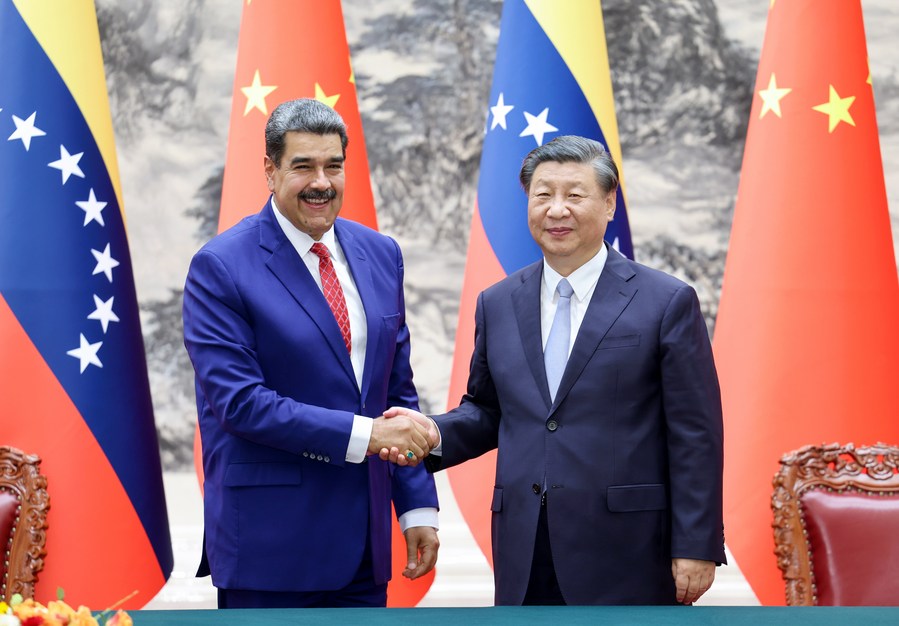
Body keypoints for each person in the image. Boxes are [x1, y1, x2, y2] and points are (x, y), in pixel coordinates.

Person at [383, 135, 724, 605]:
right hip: (525, 543)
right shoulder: (499, 303)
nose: (556, 209)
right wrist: (432, 433)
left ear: (608, 203)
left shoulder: (665, 302)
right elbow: (488, 410)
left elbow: (695, 433)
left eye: (574, 195)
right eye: (543, 195)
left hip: (630, 547)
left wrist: (696, 544)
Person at [183, 98, 439, 609]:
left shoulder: (381, 254)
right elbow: (241, 404)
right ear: (270, 170)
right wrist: (369, 436)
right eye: (303, 166)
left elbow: (396, 393)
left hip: (365, 553)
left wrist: (416, 508)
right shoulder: (220, 267)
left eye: (333, 166)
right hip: (270, 550)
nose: (321, 182)